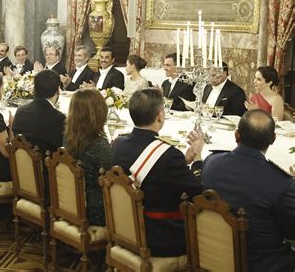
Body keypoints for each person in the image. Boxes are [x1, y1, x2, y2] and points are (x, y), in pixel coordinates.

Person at [112, 88, 204, 259]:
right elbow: (199, 196)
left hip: (123, 228)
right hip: (159, 239)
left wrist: (182, 163)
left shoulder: (118, 143)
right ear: (160, 116)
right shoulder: (169, 155)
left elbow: (153, 172)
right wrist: (198, 160)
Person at [202, 110, 295, 272]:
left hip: (211, 254)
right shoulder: (280, 182)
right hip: (262, 263)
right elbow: (291, 231)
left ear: (237, 135)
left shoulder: (211, 163)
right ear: (273, 139)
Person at [64, 88, 111, 226]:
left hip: (72, 203)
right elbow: (112, 180)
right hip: (95, 211)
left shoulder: (67, 138)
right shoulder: (99, 145)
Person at [12, 69, 66, 155]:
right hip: (45, 166)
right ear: (58, 90)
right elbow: (62, 150)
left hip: (20, 166)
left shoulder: (21, 111)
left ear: (34, 89)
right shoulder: (57, 117)